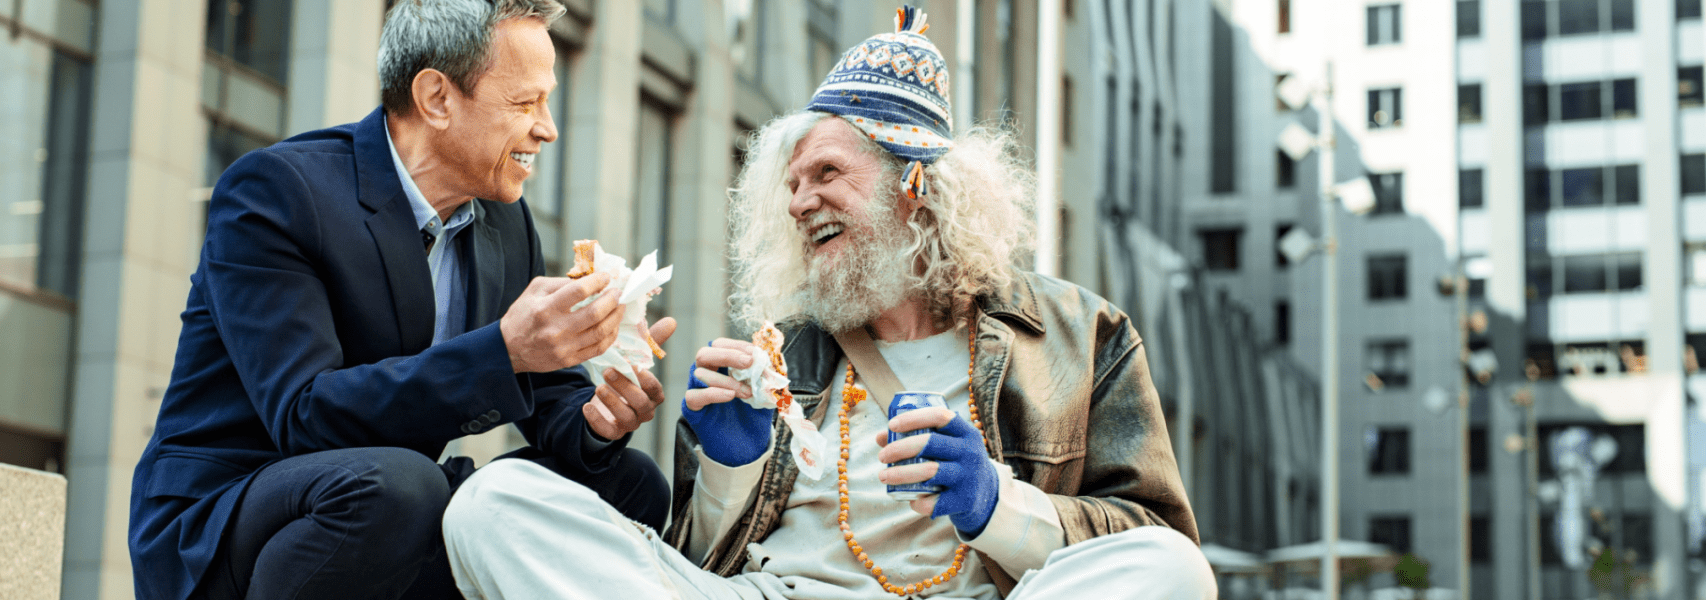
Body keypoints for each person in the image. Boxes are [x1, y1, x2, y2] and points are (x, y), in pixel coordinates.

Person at [441, 6, 1216, 600]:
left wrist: (995, 506)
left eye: (825, 175)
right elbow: (691, 560)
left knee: (1171, 569)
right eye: (791, 185)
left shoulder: (1082, 334)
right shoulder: (779, 353)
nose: (799, 202)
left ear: (917, 187)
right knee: (495, 500)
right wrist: (726, 468)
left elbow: (1155, 535)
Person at [127, 2, 673, 599]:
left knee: (626, 483)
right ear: (436, 97)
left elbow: (547, 396)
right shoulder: (278, 192)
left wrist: (597, 419)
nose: (547, 128)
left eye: (547, 102)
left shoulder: (505, 220)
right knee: (401, 487)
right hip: (227, 516)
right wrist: (504, 350)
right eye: (524, 104)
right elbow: (304, 416)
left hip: (388, 500)